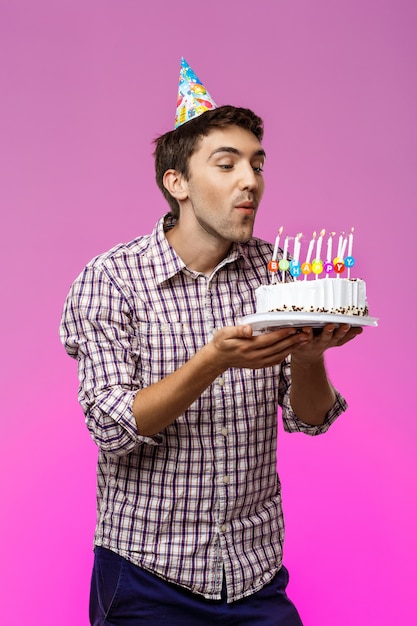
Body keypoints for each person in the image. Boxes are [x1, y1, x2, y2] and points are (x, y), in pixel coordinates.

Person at [60, 63, 362, 626]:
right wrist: (212, 360)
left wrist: (310, 355)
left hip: (255, 574)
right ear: (177, 182)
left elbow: (311, 419)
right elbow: (111, 426)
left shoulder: (275, 274)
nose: (250, 180)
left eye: (256, 164)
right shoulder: (112, 279)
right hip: (147, 577)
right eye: (226, 164)